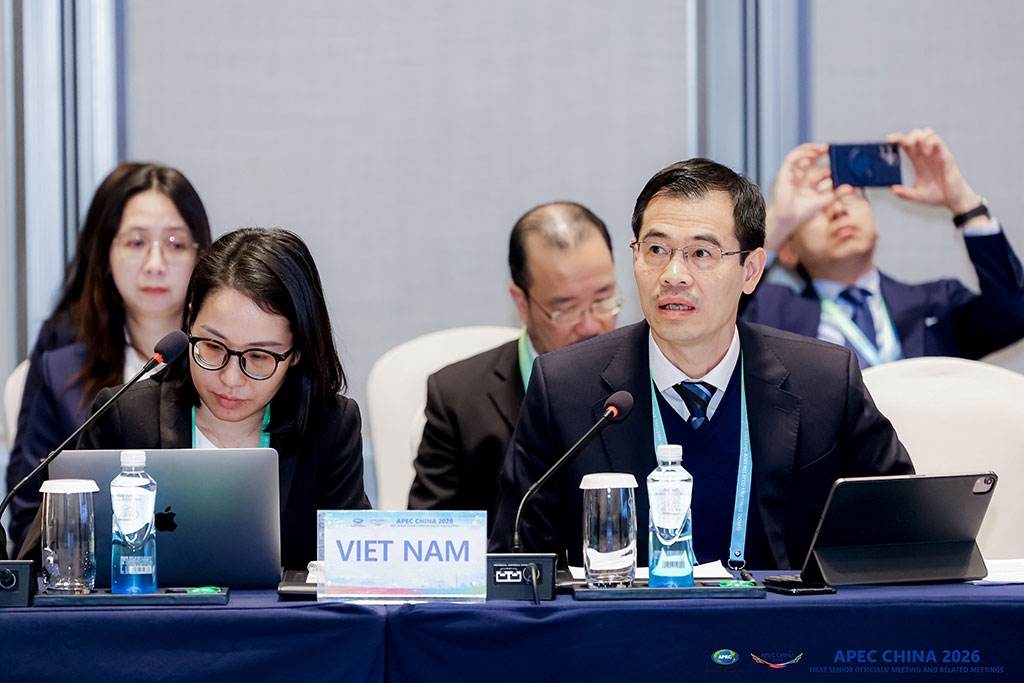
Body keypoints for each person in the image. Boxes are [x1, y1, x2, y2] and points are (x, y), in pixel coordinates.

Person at [489, 158, 913, 570]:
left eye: (701, 253)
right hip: (628, 617)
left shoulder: (824, 380)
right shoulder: (564, 388)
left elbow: (907, 531)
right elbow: (516, 563)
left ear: (751, 270)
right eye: (656, 249)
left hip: (781, 617)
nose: (673, 274)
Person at [74, 228, 370, 570]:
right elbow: (51, 560)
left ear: (297, 352)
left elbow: (355, 571)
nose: (230, 379)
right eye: (213, 347)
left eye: (259, 357)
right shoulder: (123, 417)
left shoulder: (330, 427)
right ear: (190, 322)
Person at [6, 162, 213, 548]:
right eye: (136, 242)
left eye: (175, 243)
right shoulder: (60, 363)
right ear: (105, 253)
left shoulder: (223, 362)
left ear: (201, 255)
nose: (155, 264)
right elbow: (27, 515)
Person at [407, 202, 619, 529]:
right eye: (566, 308)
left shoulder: (649, 377)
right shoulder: (458, 399)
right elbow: (431, 537)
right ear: (522, 303)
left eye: (603, 299)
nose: (591, 325)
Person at [741, 128, 1024, 367]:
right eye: (816, 208)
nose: (838, 210)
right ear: (788, 250)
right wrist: (777, 223)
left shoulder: (935, 302)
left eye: (849, 197)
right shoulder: (766, 313)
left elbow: (1013, 315)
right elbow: (720, 315)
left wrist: (963, 203)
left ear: (874, 222)